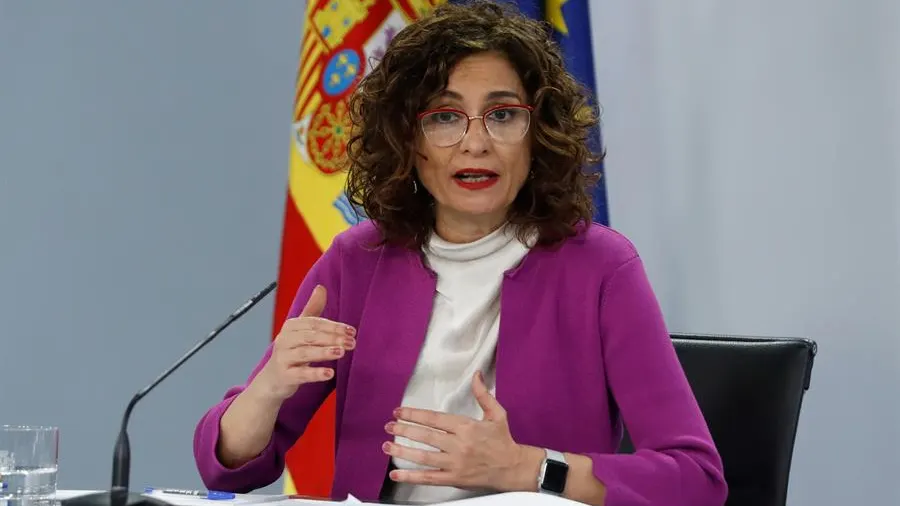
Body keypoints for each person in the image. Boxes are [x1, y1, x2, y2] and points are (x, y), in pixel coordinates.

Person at [193, 2, 727, 505]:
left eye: (503, 115)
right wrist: (267, 388)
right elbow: (227, 466)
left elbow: (696, 481)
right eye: (445, 117)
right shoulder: (358, 261)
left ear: (538, 135)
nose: (476, 142)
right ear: (408, 140)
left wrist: (531, 468)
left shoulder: (599, 267)